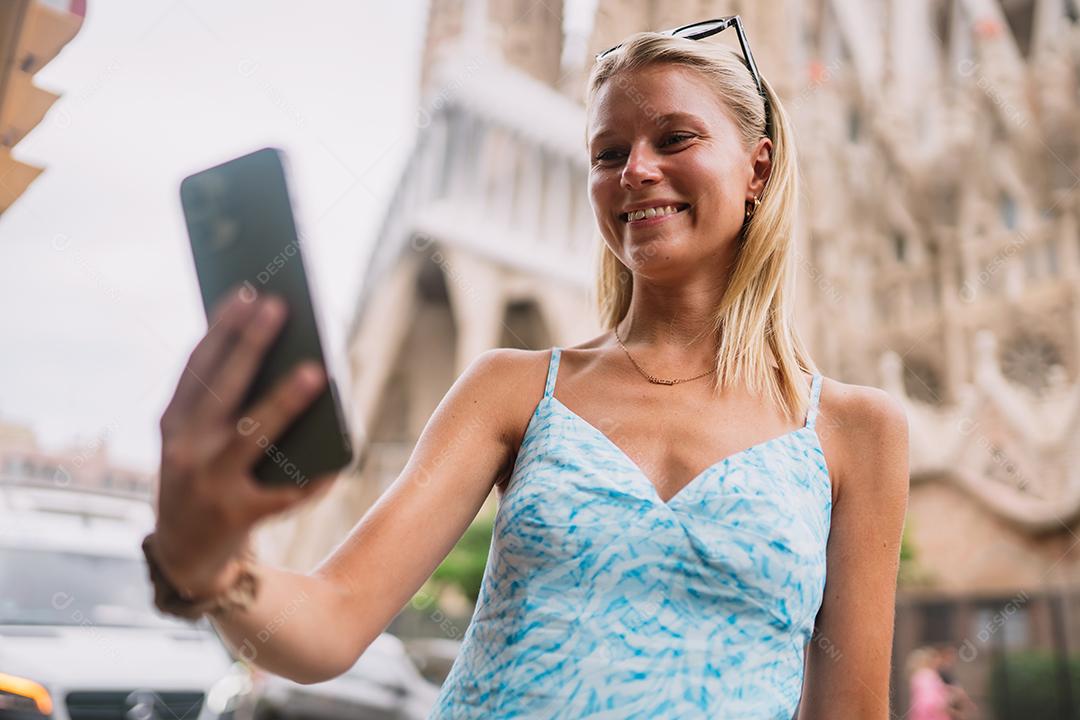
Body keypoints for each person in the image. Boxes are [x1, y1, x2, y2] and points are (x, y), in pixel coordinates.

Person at [143, 17, 909, 719]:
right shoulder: (513, 389)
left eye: (674, 138)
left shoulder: (854, 430)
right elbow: (332, 621)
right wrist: (206, 567)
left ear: (757, 169)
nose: (636, 170)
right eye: (609, 153)